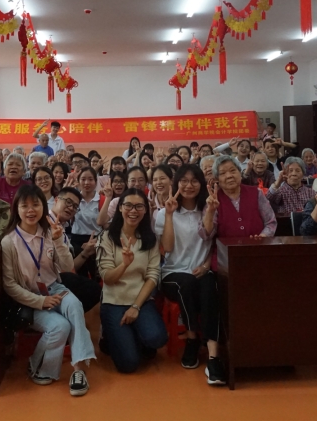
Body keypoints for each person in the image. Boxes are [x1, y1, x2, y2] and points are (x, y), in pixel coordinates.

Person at [1, 184, 94, 395]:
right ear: (16, 209)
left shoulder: (50, 233)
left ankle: (78, 370)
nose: (30, 210)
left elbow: (67, 267)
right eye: (24, 206)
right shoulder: (9, 242)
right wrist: (40, 301)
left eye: (36, 205)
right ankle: (37, 367)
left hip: (55, 287)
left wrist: (59, 241)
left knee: (74, 305)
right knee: (60, 326)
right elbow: (10, 285)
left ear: (44, 207)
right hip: (30, 299)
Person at [156, 164, 225, 385]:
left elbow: (213, 241)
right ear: (176, 183)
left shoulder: (208, 209)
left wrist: (205, 265)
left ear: (201, 184)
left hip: (201, 270)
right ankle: (193, 338)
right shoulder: (163, 213)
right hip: (172, 273)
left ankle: (213, 356)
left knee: (210, 286)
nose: (189, 185)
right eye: (183, 181)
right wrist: (168, 214)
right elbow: (167, 247)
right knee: (186, 283)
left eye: (194, 180)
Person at [97, 188, 168, 374]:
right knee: (128, 365)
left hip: (141, 301)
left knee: (157, 338)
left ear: (145, 210)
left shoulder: (150, 239)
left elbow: (152, 276)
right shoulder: (107, 237)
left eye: (139, 206)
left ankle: (134, 334)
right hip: (114, 302)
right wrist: (124, 265)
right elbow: (107, 278)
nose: (133, 211)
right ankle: (111, 336)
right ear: (120, 208)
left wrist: (136, 307)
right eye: (128, 205)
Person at [202, 156, 276, 242]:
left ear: (240, 173)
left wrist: (262, 237)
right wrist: (210, 211)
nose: (229, 176)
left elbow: (270, 222)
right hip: (225, 250)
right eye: (222, 173)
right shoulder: (213, 200)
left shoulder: (257, 193)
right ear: (217, 179)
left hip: (257, 247)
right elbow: (206, 235)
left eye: (233, 171)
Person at [52, 187, 102, 313]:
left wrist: (86, 253)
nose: (71, 208)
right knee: (95, 290)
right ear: (56, 200)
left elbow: (69, 266)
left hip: (62, 275)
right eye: (68, 202)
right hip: (50, 280)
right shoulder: (46, 223)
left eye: (75, 206)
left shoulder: (61, 227)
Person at [70, 167, 101, 275]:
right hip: (76, 241)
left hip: (96, 241)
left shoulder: (102, 200)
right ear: (78, 181)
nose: (86, 182)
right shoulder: (73, 200)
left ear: (95, 181)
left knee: (95, 274)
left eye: (90, 179)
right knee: (78, 273)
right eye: (83, 179)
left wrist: (96, 241)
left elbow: (107, 225)